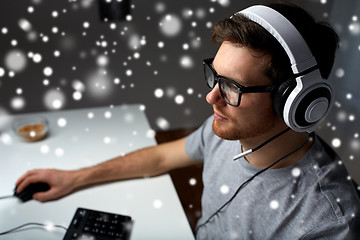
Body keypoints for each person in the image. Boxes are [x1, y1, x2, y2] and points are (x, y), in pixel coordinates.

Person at [15, 3, 360, 239]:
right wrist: (74, 178)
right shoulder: (229, 130)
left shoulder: (326, 222)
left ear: (295, 102)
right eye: (215, 77)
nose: (211, 98)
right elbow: (163, 156)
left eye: (232, 87)